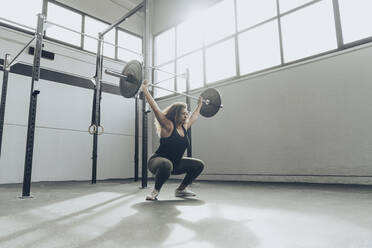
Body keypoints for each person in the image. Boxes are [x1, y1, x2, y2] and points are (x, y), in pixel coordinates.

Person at [141, 79, 205, 201]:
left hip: (175, 164)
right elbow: (155, 108)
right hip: (157, 162)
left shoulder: (184, 127)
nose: (186, 116)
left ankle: (181, 189)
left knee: (199, 165)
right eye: (183, 114)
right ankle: (155, 191)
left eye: (186, 114)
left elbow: (195, 116)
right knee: (166, 164)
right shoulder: (168, 126)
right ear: (176, 114)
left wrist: (200, 103)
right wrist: (145, 90)